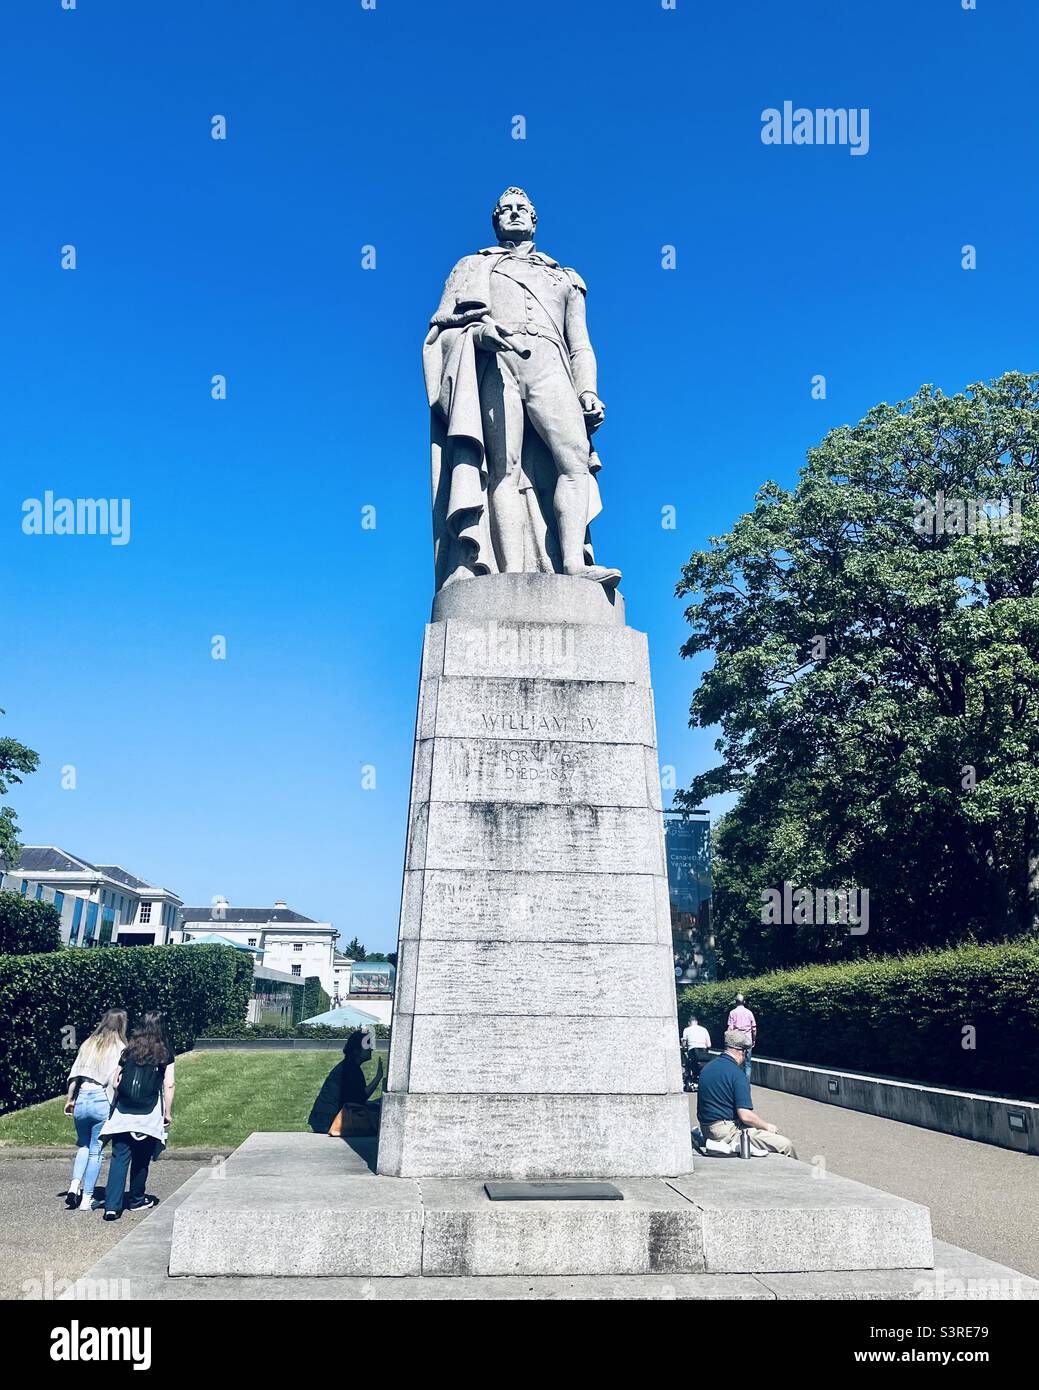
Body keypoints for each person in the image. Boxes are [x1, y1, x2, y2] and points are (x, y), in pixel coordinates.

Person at [424, 186, 622, 592]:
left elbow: (580, 343)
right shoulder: (472, 268)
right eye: (505, 210)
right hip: (499, 365)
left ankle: (573, 564)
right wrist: (478, 335)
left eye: (522, 209)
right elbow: (440, 333)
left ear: (534, 219)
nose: (514, 214)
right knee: (504, 469)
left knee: (575, 461)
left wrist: (588, 390)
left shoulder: (565, 278)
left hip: (552, 368)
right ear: (496, 221)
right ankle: (509, 572)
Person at [98, 1012, 175, 1220]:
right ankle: (136, 1200)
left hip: (124, 1113)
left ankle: (112, 1207)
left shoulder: (128, 1050)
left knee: (119, 1158)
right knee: (141, 1159)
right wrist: (167, 1113)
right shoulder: (165, 1053)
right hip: (148, 1114)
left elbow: (115, 1081)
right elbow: (169, 1084)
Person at [62, 1010, 128, 1210]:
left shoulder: (88, 1043)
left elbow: (75, 1073)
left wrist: (70, 1099)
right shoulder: (121, 1047)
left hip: (82, 1096)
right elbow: (116, 1082)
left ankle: (74, 1186)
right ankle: (87, 1197)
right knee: (96, 1151)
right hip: (101, 1099)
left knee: (83, 1146)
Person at [696, 1029, 796, 1158]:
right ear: (742, 1052)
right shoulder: (737, 1074)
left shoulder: (708, 1068)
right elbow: (745, 1115)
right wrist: (767, 1126)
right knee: (785, 1144)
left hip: (707, 1130)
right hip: (726, 1133)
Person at [308, 1031, 384, 1135]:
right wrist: (378, 1077)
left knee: (379, 1104)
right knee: (379, 1106)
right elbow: (361, 1098)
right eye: (367, 1046)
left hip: (323, 1119)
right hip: (329, 1121)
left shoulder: (350, 1066)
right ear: (356, 1050)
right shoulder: (350, 1069)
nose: (371, 1049)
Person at [727, 992, 757, 1078]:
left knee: (737, 1063)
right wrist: (753, 1040)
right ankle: (746, 1085)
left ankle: (738, 1083)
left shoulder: (732, 1013)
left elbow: (730, 1029)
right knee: (747, 1064)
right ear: (744, 1002)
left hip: (737, 1041)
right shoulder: (749, 1013)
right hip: (748, 1040)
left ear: (736, 1002)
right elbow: (754, 1029)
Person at [680, 1014, 711, 1091]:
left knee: (687, 1061)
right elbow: (709, 1044)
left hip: (693, 1051)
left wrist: (683, 1047)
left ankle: (687, 1074)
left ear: (689, 1023)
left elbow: (684, 1044)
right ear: (697, 1022)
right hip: (703, 1052)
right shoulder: (704, 1029)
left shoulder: (686, 1030)